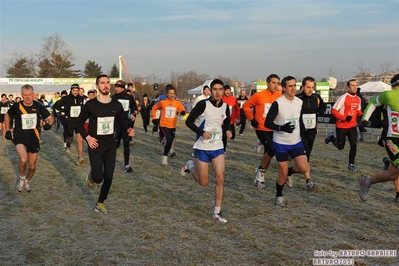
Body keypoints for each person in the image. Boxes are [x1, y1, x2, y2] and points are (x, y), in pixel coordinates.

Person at [75, 74, 135, 214]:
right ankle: (91, 175)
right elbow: (78, 124)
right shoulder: (90, 105)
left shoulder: (116, 105)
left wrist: (128, 129)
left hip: (110, 144)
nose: (106, 85)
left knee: (108, 176)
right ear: (97, 86)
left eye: (108, 82)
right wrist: (88, 137)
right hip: (95, 143)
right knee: (98, 178)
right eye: (102, 83)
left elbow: (121, 121)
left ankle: (100, 202)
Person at [181, 79, 232, 222]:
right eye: (214, 89)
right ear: (210, 90)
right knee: (204, 183)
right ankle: (190, 166)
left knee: (220, 178)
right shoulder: (203, 104)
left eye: (220, 89)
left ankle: (217, 213)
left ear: (223, 91)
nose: (217, 92)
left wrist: (228, 129)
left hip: (217, 147)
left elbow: (227, 121)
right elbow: (188, 121)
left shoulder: (225, 106)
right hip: (203, 147)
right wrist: (201, 132)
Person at [265, 76, 309, 206]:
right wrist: (280, 127)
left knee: (303, 168)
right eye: (290, 86)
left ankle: (291, 172)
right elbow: (267, 122)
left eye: (295, 85)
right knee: (282, 172)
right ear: (283, 88)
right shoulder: (278, 103)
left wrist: (304, 131)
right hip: (281, 143)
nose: (293, 88)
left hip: (296, 141)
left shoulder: (299, 102)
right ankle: (279, 195)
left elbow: (298, 118)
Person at [2, 84, 54, 192]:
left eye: (29, 94)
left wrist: (49, 124)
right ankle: (21, 179)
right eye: (25, 95)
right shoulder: (16, 106)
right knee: (23, 159)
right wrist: (7, 130)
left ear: (33, 94)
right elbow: (7, 115)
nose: (27, 97)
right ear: (21, 95)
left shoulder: (38, 106)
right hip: (19, 137)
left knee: (32, 166)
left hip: (34, 138)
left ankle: (27, 181)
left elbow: (50, 118)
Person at [358, 74, 399, 202]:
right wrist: (365, 119)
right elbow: (372, 103)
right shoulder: (389, 95)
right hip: (392, 138)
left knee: (391, 175)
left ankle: (366, 182)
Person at [242, 74, 282, 189]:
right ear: (267, 83)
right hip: (261, 128)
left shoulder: (280, 96)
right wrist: (252, 119)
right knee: (272, 149)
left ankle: (259, 177)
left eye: (277, 83)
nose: (275, 85)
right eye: (273, 83)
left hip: (273, 128)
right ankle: (260, 172)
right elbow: (245, 106)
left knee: (268, 154)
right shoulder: (259, 95)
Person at [287, 76, 324, 190]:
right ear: (302, 87)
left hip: (312, 132)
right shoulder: (297, 99)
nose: (310, 90)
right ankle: (309, 181)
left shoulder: (316, 98)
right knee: (305, 157)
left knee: (307, 157)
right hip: (299, 133)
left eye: (312, 87)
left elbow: (321, 110)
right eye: (308, 87)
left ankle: (289, 171)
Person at [324, 79, 363, 172]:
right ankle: (331, 137)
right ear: (348, 88)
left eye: (356, 85)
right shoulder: (344, 97)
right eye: (352, 85)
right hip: (342, 126)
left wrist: (362, 116)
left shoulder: (358, 99)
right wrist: (344, 118)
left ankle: (351, 164)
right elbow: (333, 110)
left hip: (353, 126)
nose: (354, 87)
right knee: (340, 147)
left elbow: (358, 110)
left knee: (354, 145)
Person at [151, 84, 185, 165]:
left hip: (173, 125)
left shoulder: (177, 102)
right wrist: (154, 119)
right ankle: (165, 157)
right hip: (164, 124)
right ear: (167, 93)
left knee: (170, 141)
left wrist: (183, 112)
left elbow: (182, 108)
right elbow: (154, 108)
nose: (172, 95)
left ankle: (164, 154)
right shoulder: (163, 102)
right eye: (170, 93)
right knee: (169, 140)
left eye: (173, 93)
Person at [54, 84, 85, 165]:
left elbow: (83, 108)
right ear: (71, 90)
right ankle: (68, 145)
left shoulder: (81, 98)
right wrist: (65, 111)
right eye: (73, 90)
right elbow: (56, 106)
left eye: (77, 90)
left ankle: (80, 157)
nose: (75, 92)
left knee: (79, 140)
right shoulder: (66, 98)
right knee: (70, 137)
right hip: (70, 120)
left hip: (78, 121)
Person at [111, 80, 137, 173]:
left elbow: (134, 106)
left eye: (118, 87)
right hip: (117, 125)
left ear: (122, 88)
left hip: (126, 124)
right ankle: (108, 162)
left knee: (126, 145)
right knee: (115, 145)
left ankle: (127, 165)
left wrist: (134, 113)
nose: (116, 88)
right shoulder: (113, 98)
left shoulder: (129, 97)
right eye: (115, 86)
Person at [221, 84, 240, 155]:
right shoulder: (221, 99)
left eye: (229, 90)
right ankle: (223, 150)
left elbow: (237, 108)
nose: (228, 92)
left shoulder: (233, 99)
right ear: (223, 91)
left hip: (231, 121)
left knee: (232, 136)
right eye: (226, 90)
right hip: (223, 122)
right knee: (224, 137)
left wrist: (237, 117)